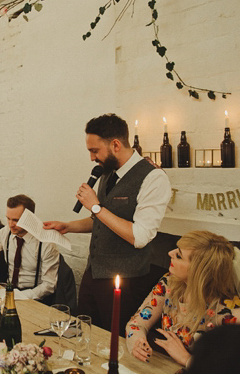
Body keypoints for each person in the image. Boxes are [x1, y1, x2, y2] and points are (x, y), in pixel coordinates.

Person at [43, 114, 171, 331]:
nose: (92, 158)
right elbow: (103, 221)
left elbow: (139, 236)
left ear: (115, 144)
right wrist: (69, 226)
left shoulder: (154, 178)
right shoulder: (107, 172)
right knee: (85, 332)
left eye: (95, 151)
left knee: (115, 344)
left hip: (126, 281)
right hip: (94, 273)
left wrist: (95, 206)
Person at [125, 230, 240, 369]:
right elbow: (136, 324)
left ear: (198, 271)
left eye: (179, 256)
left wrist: (187, 359)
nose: (170, 253)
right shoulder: (169, 283)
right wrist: (138, 343)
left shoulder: (231, 315)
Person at [0, 194, 63, 303]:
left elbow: (49, 285)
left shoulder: (46, 243)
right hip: (7, 291)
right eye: (8, 218)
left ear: (30, 218)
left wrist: (19, 296)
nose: (10, 224)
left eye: (16, 220)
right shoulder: (5, 232)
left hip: (33, 298)